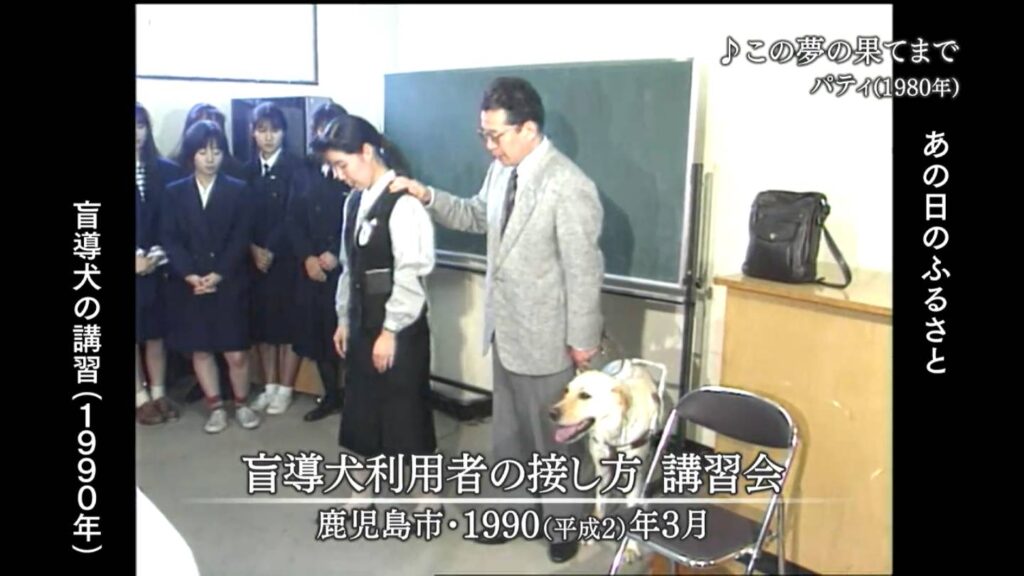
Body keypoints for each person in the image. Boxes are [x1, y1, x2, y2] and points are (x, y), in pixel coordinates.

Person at [389, 76, 605, 563]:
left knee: (555, 440)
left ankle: (564, 525)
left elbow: (583, 270)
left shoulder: (568, 185)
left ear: (528, 128)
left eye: (496, 136)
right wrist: (426, 196)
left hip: (549, 336)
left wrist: (582, 340)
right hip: (506, 329)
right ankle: (509, 511)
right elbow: (475, 216)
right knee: (508, 434)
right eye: (483, 135)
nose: (489, 146)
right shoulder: (502, 171)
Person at [314, 114, 438, 507]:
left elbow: (411, 272)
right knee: (361, 406)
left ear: (366, 152)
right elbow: (348, 266)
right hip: (361, 321)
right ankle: (362, 487)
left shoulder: (404, 204)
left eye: (342, 165)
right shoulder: (353, 201)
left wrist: (390, 330)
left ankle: (424, 491)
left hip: (399, 328)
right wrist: (343, 318)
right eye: (334, 167)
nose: (339, 175)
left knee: (406, 409)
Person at [162, 120, 260, 434]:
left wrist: (218, 274)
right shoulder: (174, 192)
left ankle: (242, 404)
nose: (210, 158)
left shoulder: (238, 189)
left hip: (229, 280)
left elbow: (241, 237)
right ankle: (215, 407)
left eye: (216, 152)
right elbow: (170, 238)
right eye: (203, 151)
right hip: (191, 284)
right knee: (201, 349)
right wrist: (190, 274)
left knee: (236, 352)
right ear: (192, 154)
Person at [288, 102, 351, 422]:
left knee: (346, 332)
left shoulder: (350, 168)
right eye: (320, 129)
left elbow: (355, 219)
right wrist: (308, 257)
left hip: (344, 267)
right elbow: (292, 218)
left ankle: (354, 397)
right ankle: (331, 395)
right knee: (318, 335)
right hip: (312, 268)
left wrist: (334, 252)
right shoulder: (303, 170)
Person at [244, 102, 306, 415]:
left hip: (288, 259)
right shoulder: (245, 170)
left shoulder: (297, 167)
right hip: (254, 260)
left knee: (288, 325)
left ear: (284, 132)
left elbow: (294, 215)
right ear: (253, 133)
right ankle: (269, 386)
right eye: (262, 130)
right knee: (263, 326)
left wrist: (272, 249)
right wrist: (253, 249)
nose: (268, 137)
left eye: (275, 130)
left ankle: (286, 388)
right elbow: (239, 218)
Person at [135, 102, 184, 425]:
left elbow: (175, 220)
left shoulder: (165, 170)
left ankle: (158, 392)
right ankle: (139, 397)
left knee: (156, 333)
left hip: (158, 265)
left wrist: (156, 254)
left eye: (140, 126)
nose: (136, 134)